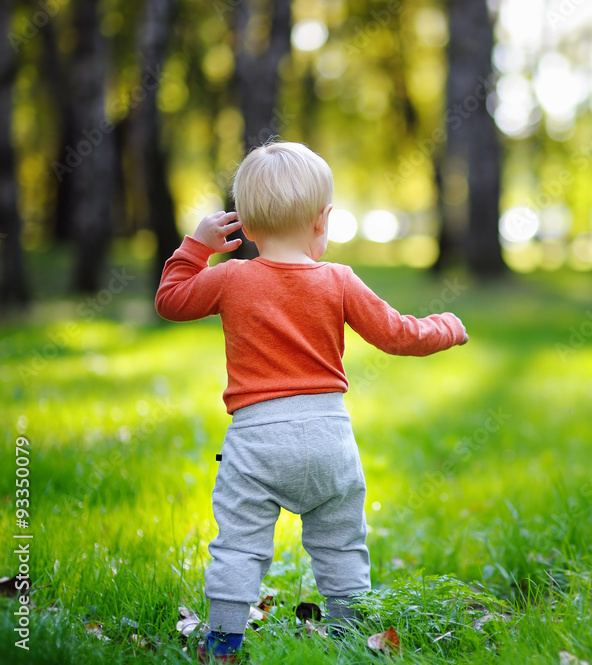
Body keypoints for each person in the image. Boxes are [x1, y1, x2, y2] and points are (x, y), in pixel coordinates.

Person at [155, 141, 468, 662]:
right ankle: (354, 638)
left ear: (247, 228)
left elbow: (170, 300)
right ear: (323, 221)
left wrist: (196, 246)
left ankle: (224, 644)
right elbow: (397, 335)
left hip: (257, 442)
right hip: (329, 440)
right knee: (342, 544)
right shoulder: (339, 280)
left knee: (239, 546)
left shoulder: (230, 278)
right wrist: (446, 326)